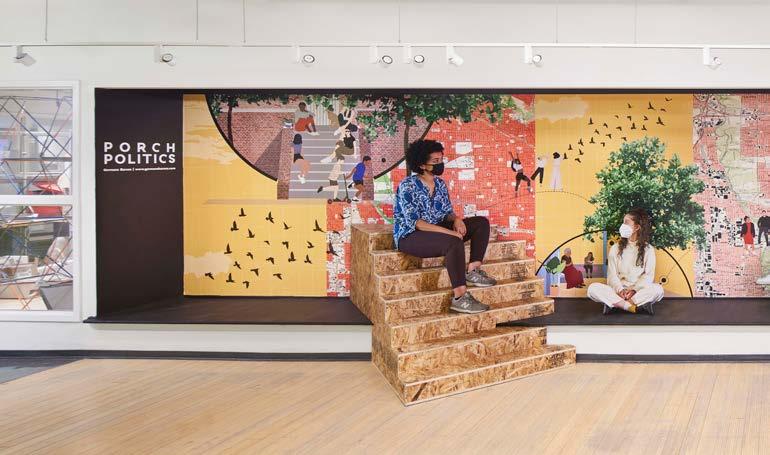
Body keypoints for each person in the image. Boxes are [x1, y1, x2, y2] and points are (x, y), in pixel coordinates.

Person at [394, 139, 497, 314]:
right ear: (421, 164)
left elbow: (446, 212)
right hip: (411, 235)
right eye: (435, 161)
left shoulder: (440, 184)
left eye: (441, 159)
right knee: (453, 242)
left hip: (436, 228)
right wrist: (449, 233)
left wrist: (456, 219)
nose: (440, 164)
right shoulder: (407, 186)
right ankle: (460, 298)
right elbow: (417, 223)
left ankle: (473, 270)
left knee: (481, 223)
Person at [587, 207, 664, 315]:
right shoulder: (615, 248)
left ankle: (622, 304)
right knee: (592, 288)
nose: (622, 226)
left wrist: (634, 290)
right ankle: (629, 306)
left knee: (658, 289)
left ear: (637, 227)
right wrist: (620, 290)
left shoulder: (648, 249)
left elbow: (648, 276)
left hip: (638, 291)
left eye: (626, 222)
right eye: (623, 222)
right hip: (618, 291)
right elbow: (612, 275)